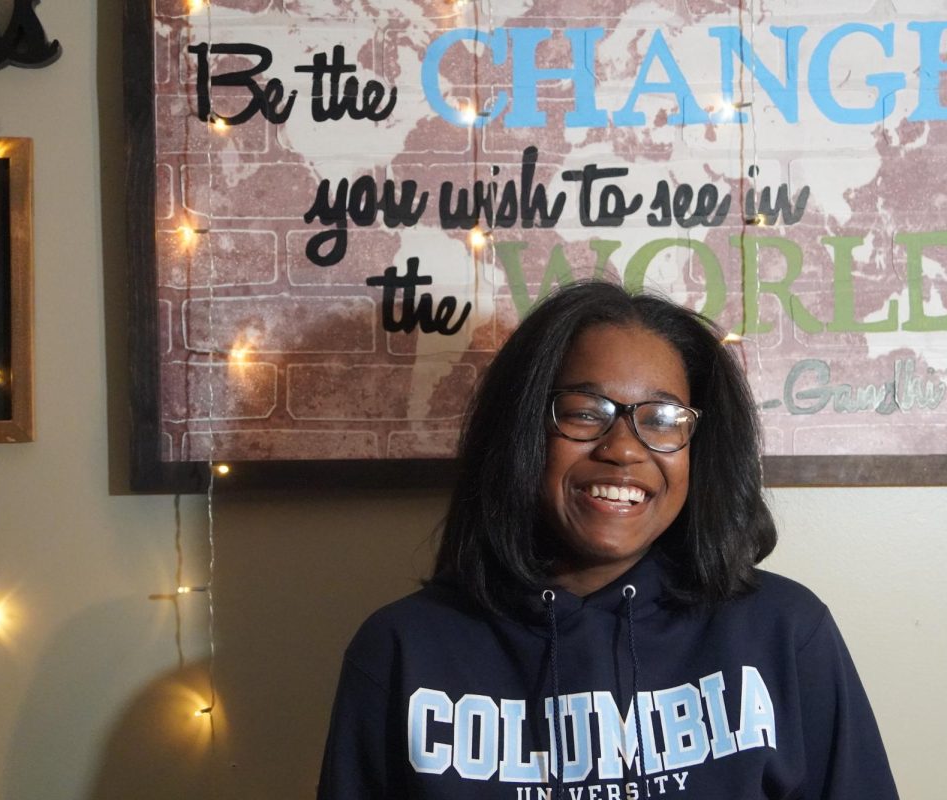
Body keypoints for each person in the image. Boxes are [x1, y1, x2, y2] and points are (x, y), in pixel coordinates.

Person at [318, 281, 898, 799]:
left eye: (665, 418)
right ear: (523, 430)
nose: (623, 448)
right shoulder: (401, 651)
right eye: (584, 411)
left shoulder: (784, 633)